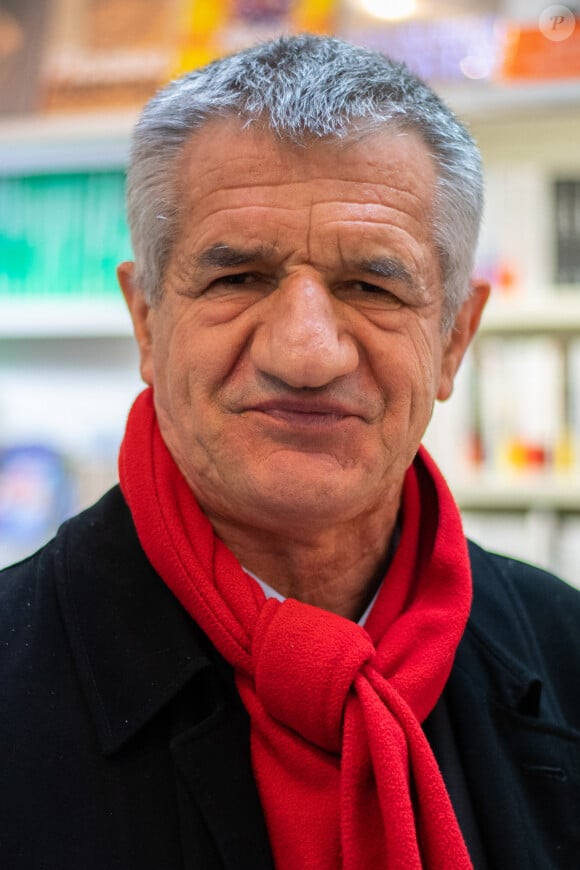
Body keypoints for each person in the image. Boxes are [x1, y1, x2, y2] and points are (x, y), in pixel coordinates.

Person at [1, 34, 579, 870]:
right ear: (148, 321)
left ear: (454, 338)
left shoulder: (567, 651)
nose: (306, 355)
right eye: (237, 278)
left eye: (372, 286)